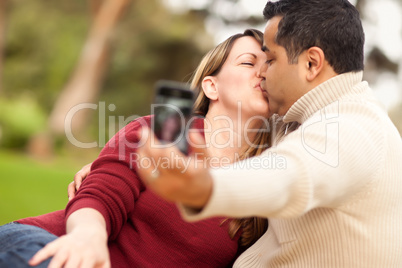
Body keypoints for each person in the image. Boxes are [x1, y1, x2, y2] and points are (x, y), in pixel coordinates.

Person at [136, 0, 402, 267]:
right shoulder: (295, 117)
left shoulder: (355, 126)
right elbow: (236, 121)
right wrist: (107, 167)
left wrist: (207, 187)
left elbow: (291, 174)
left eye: (271, 60)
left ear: (311, 63)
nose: (261, 74)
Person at [0, 29, 272, 268]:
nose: (263, 72)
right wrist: (87, 239)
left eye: (270, 64)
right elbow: (102, 197)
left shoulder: (267, 182)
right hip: (50, 245)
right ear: (212, 87)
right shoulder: (164, 132)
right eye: (249, 62)